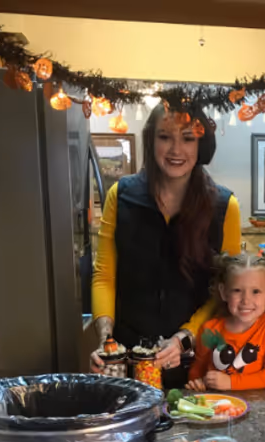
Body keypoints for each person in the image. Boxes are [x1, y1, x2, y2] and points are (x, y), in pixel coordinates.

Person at [91, 104, 241, 388]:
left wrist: (185, 337)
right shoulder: (120, 196)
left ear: (202, 144)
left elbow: (227, 287)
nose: (176, 150)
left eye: (188, 138)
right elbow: (104, 276)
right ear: (151, 140)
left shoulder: (224, 206)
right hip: (128, 357)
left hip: (199, 361)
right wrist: (106, 341)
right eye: (164, 137)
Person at [186, 252, 265, 391]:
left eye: (255, 291)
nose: (246, 300)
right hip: (218, 407)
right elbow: (198, 369)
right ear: (224, 292)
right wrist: (196, 384)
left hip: (257, 407)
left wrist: (231, 383)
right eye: (237, 290)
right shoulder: (209, 329)